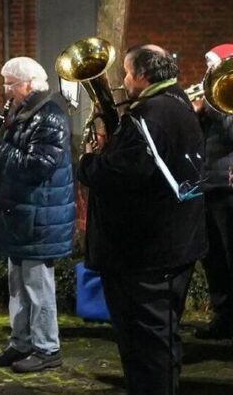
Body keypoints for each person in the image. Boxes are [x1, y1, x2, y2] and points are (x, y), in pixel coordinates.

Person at [78, 45, 206, 394]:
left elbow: (120, 174)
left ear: (143, 76)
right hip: (176, 244)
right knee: (162, 340)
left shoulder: (147, 116)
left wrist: (90, 160)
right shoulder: (178, 102)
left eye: (127, 73)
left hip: (146, 255)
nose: (123, 80)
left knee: (146, 347)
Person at [0, 57, 74, 373]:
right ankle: (20, 343)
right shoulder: (24, 114)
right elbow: (14, 163)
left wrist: (0, 148)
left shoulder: (48, 116)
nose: (6, 90)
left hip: (39, 218)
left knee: (38, 287)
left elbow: (38, 166)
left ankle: (47, 348)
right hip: (21, 215)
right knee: (17, 287)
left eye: (10, 83)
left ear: (28, 84)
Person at [194, 43, 233, 340]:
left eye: (212, 65)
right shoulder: (213, 96)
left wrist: (210, 106)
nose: (207, 72)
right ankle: (224, 315)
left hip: (227, 187)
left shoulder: (224, 95)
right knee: (214, 258)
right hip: (208, 184)